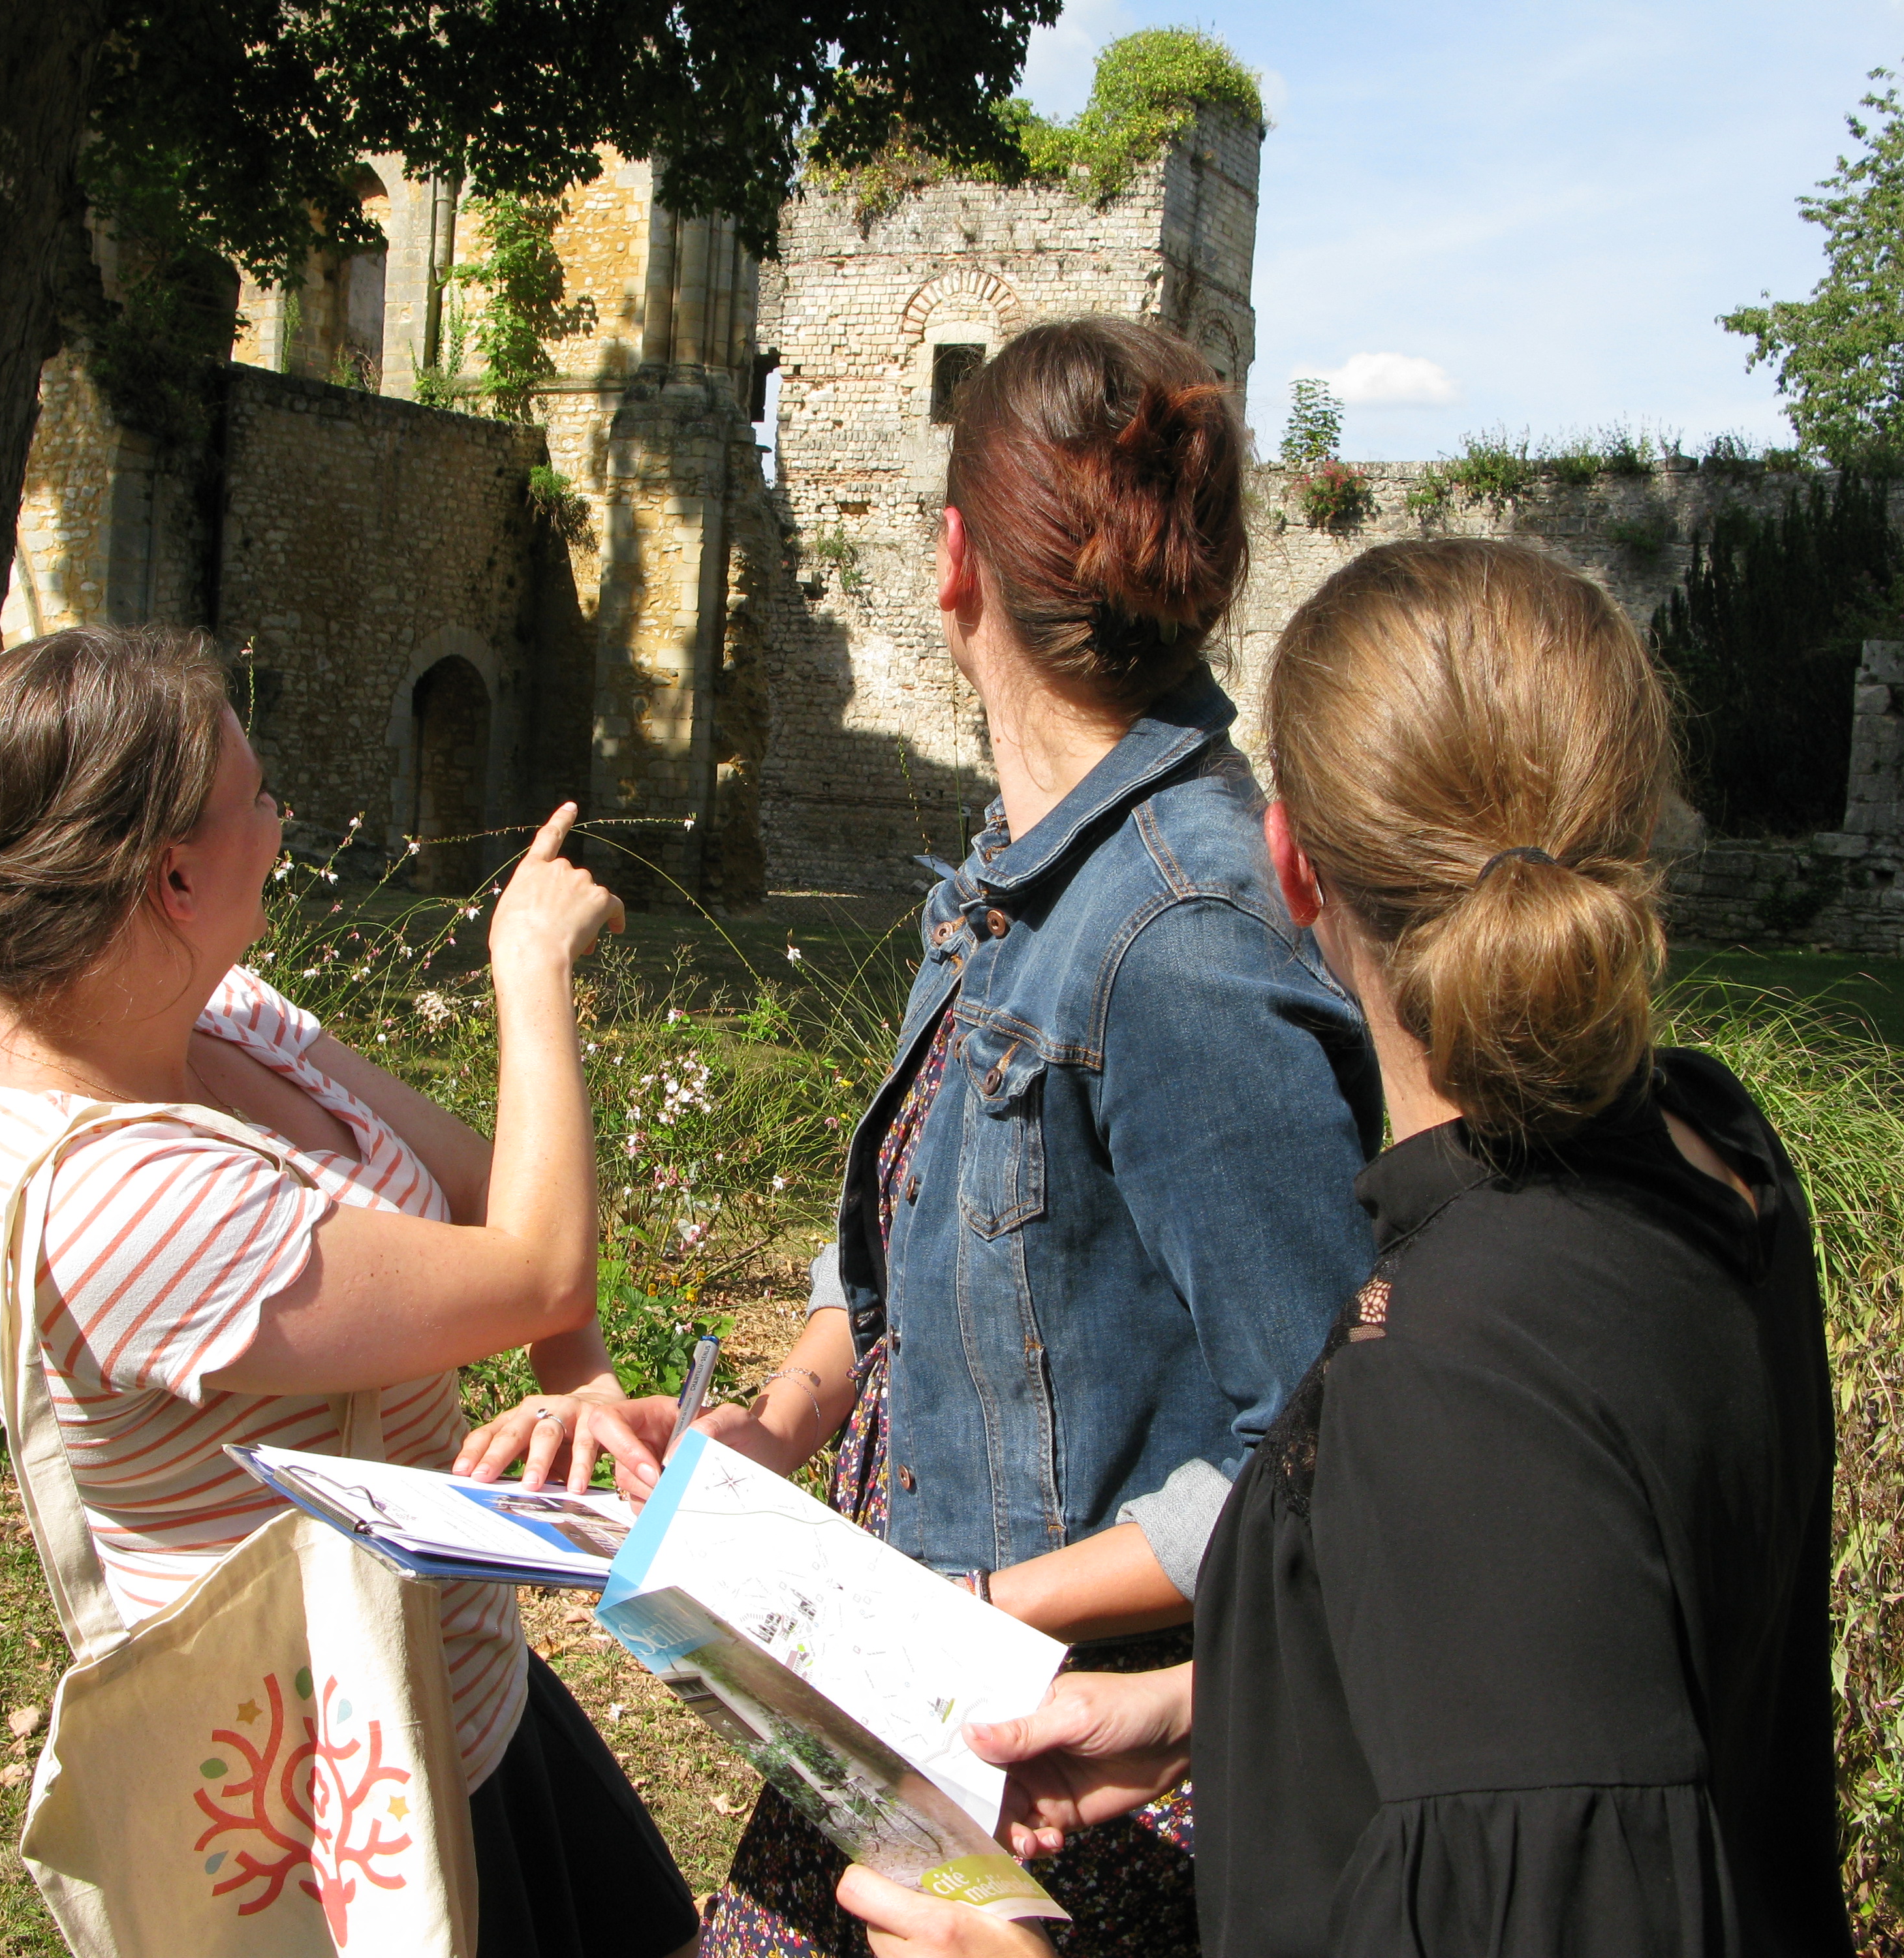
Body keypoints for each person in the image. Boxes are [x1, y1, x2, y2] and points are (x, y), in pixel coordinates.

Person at [840, 538, 1852, 1957]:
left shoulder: (1455, 1374)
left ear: (1288, 865)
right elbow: (1563, 1676)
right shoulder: (1709, 1158)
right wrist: (1216, 1704)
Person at [619, 317, 1382, 1958]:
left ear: (953, 559)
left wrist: (972, 1614)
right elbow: (903, 1244)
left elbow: (1321, 1456)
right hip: (911, 1704)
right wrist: (776, 1428)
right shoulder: (1008, 881)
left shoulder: (1183, 939)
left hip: (1076, 1783)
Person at [0, 626, 700, 1958]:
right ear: (170, 876)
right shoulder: (123, 1199)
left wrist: (585, 1387)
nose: (280, 824)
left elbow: (486, 1192)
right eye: (256, 801)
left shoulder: (198, 1011)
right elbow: (536, 1261)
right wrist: (528, 965)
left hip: (461, 1686)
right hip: (342, 1774)